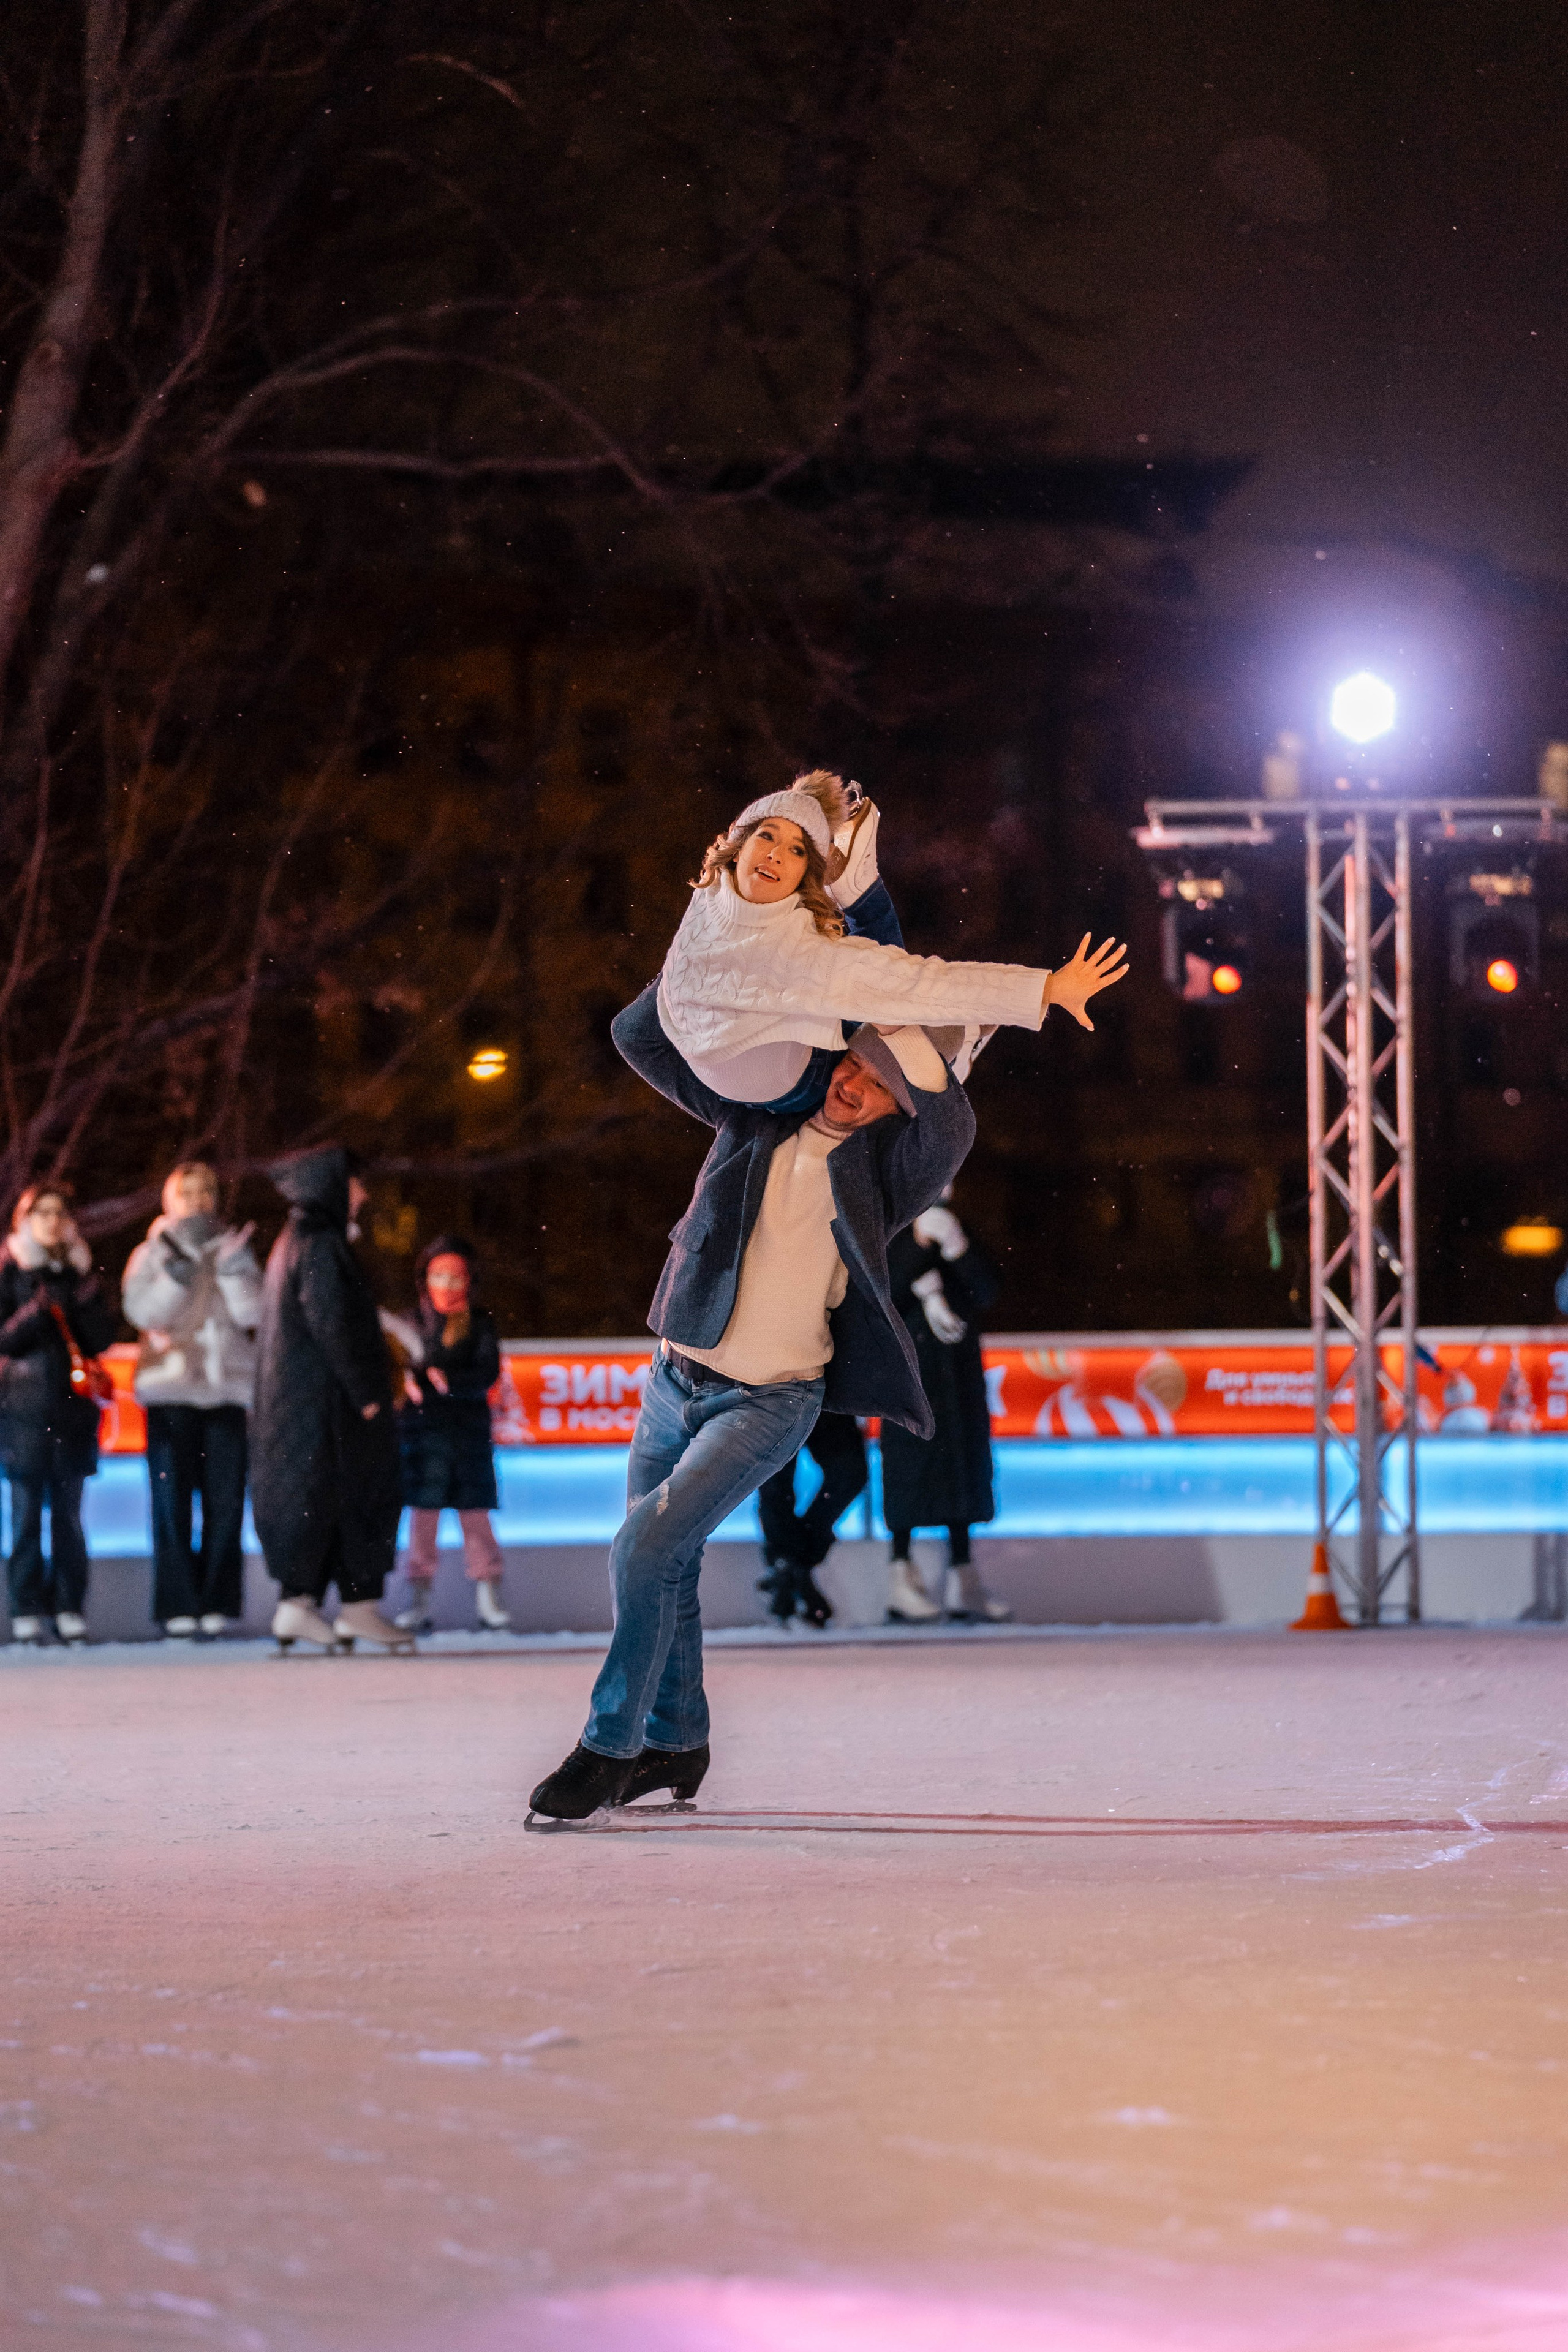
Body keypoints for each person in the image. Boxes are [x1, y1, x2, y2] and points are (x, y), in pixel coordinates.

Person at [527, 999, 978, 1821]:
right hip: (673, 1381)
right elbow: (637, 1036)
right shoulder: (756, 1114)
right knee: (668, 1562)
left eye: (882, 1082)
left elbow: (952, 1130)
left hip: (771, 1401)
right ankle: (677, 1741)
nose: (855, 1084)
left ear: (899, 1102)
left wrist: (897, 1007)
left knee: (643, 1548)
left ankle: (607, 1747)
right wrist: (718, 937)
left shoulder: (885, 1175)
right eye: (855, 1061)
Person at [656, 769, 1126, 1113]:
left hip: (796, 1084)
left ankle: (862, 897)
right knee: (631, 1028)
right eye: (767, 836)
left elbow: (919, 984)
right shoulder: (713, 886)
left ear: (804, 876)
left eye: (797, 851)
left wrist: (1043, 989)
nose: (777, 854)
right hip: (706, 1042)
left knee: (885, 999)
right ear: (739, 845)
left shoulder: (802, 962)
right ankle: (858, 894)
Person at [251, 1146, 410, 1653]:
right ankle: (352, 1606)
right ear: (331, 1186)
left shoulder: (297, 1240)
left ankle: (300, 1604)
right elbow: (336, 1323)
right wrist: (368, 1392)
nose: (362, 1194)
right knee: (354, 1493)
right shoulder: (319, 1244)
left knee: (315, 1499)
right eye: (355, 1184)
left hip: (304, 1405)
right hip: (329, 1406)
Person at [121, 1162, 263, 1637]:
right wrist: (178, 1269)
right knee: (171, 1503)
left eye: (207, 1191)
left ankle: (219, 1601)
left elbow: (255, 1314)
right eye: (189, 1192)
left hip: (227, 1391)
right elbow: (141, 1312)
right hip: (170, 1390)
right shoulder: (151, 1251)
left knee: (226, 1504)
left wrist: (232, 1270)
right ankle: (178, 1603)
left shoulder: (234, 1244)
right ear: (171, 1199)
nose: (199, 1201)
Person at [881, 1189, 1010, 1624]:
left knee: (961, 1464)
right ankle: (902, 1575)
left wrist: (959, 1249)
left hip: (957, 1372)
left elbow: (988, 1291)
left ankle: (963, 1574)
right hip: (908, 1370)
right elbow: (878, 1294)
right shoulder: (890, 1228)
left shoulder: (958, 1225)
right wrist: (916, 1255)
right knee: (908, 1467)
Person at [0, 1183, 119, 1646]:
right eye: (41, 1212)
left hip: (72, 1412)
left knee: (69, 1516)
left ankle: (70, 1606)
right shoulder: (10, 1270)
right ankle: (26, 1608)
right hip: (23, 1408)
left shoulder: (82, 1272)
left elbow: (103, 1337)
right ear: (24, 1220)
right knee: (25, 1514)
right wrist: (36, 1310)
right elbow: (5, 1338)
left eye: (59, 1213)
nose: (51, 1221)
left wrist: (80, 1301)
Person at [392, 1235, 511, 1633]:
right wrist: (405, 1382)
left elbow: (487, 1371)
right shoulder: (410, 1321)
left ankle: (489, 1597)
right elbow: (394, 1363)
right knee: (422, 1523)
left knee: (476, 1520)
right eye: (438, 1275)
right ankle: (419, 1601)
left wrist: (451, 1382)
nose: (446, 1285)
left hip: (467, 1434)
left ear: (469, 1281)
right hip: (422, 1435)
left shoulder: (479, 1323)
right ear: (424, 1277)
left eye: (455, 1278)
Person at [756, 1411, 869, 1627]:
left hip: (824, 1391)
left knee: (849, 1474)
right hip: (772, 1391)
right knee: (773, 1482)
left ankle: (789, 1565)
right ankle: (791, 1565)